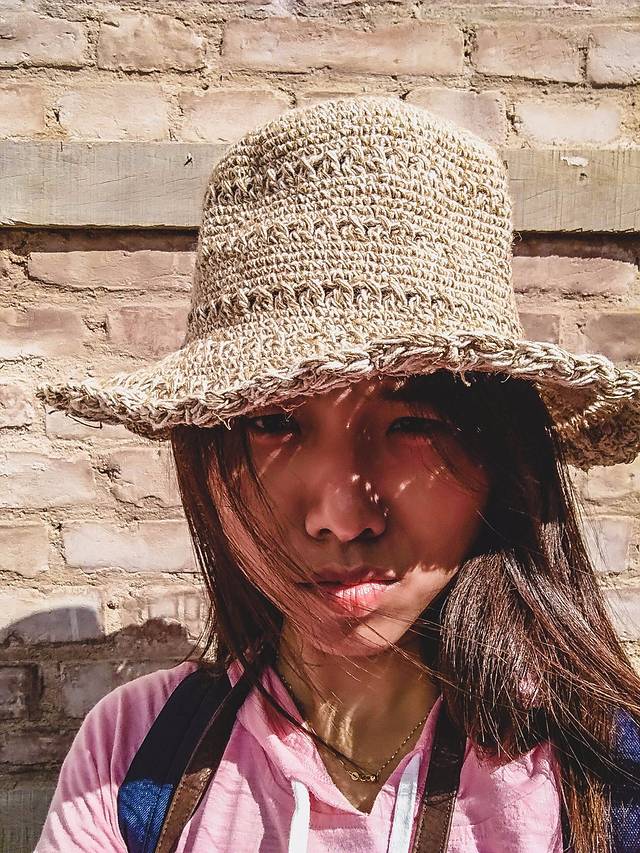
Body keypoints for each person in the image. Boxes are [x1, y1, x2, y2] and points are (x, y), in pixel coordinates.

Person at [34, 96, 640, 852]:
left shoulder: (604, 782)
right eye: (273, 423)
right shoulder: (132, 757)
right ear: (207, 455)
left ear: (499, 457)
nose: (343, 517)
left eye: (415, 424)